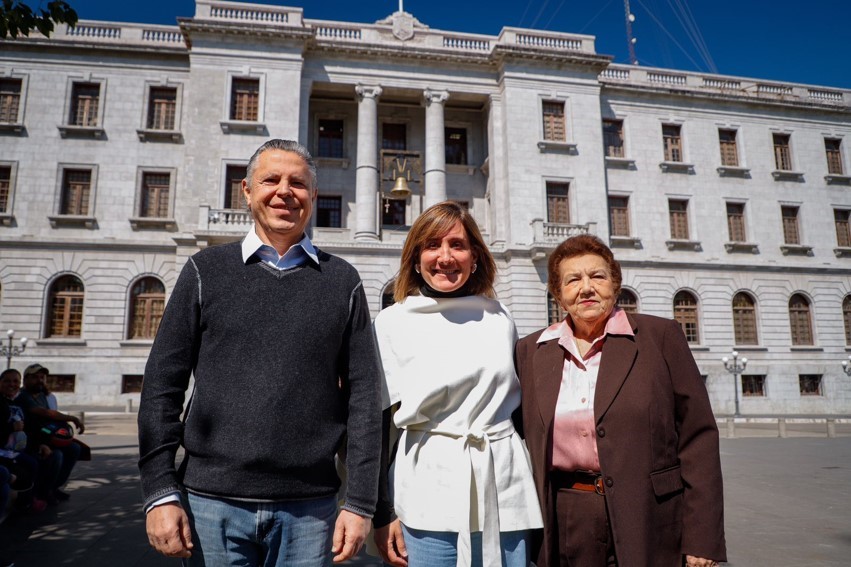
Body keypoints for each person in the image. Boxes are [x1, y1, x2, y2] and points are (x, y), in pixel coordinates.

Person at [138, 139, 382, 566]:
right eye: (271, 180)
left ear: (313, 196)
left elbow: (364, 397)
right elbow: (162, 384)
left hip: (310, 510)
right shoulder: (204, 271)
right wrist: (160, 491)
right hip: (210, 504)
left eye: (298, 183)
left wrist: (360, 501)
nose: (285, 191)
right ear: (247, 191)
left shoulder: (343, 281)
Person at [514, 234, 726, 567]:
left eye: (597, 276)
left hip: (649, 517)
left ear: (615, 285)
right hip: (567, 517)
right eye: (573, 280)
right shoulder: (531, 351)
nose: (586, 288)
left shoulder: (660, 338)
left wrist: (702, 538)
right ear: (558, 294)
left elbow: (697, 438)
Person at [372, 201, 543, 567]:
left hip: (502, 486)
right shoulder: (391, 323)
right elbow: (375, 426)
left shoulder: (500, 318)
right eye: (432, 245)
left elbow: (519, 413)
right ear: (415, 258)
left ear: (475, 257)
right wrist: (381, 512)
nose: (445, 257)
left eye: (457, 245)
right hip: (425, 491)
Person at [15, 364, 82, 503]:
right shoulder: (23, 396)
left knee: (74, 448)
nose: (40, 380)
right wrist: (72, 418)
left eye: (42, 377)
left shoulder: (42, 395)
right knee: (56, 455)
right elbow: (47, 413)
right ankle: (44, 491)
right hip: (30, 439)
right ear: (26, 379)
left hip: (45, 436)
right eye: (35, 377)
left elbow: (50, 416)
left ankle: (54, 486)